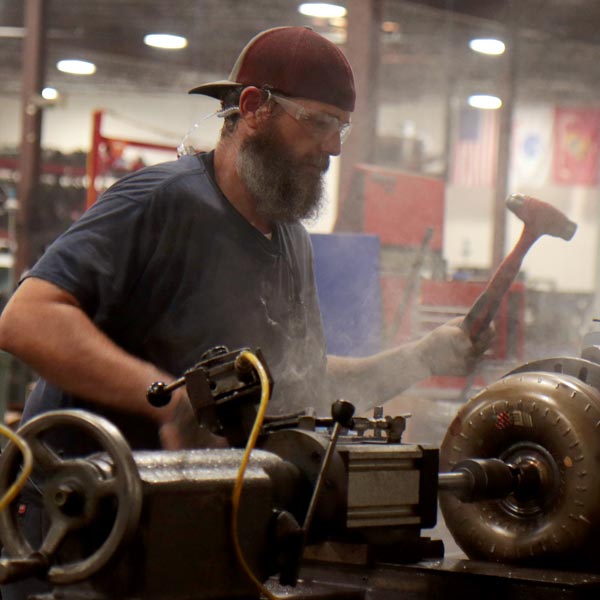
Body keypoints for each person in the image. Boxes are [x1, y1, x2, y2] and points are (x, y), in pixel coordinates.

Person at [0, 24, 492, 598]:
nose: (333, 148)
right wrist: (167, 398)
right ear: (254, 108)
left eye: (342, 128)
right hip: (80, 531)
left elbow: (296, 382)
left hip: (189, 531)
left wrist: (423, 356)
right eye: (319, 122)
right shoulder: (159, 202)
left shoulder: (290, 240)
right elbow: (27, 318)